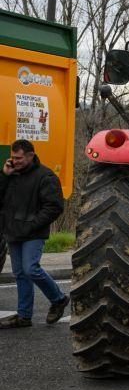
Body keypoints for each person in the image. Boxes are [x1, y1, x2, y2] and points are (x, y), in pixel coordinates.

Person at [0, 139, 69, 328]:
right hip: (12, 232)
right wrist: (4, 176)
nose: (15, 161)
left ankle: (59, 299)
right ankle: (24, 316)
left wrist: (32, 225)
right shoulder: (10, 174)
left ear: (31, 155)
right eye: (13, 157)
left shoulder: (46, 176)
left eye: (19, 158)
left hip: (33, 232)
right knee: (21, 273)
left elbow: (54, 207)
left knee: (30, 268)